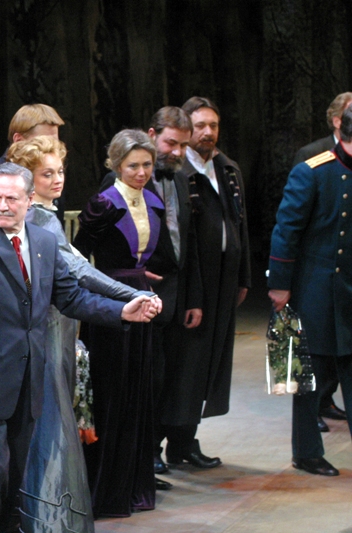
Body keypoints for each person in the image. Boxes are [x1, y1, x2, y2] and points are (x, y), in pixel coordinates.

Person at [0, 139, 158, 533]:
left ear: (28, 200)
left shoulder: (43, 242)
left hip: (28, 381)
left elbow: (71, 297)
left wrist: (120, 310)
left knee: (14, 479)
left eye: (11, 199)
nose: (2, 206)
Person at [99, 108, 202, 483]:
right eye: (171, 143)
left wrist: (194, 297)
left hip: (174, 298)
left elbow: (186, 242)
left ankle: (155, 452)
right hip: (137, 296)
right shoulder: (116, 184)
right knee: (142, 382)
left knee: (167, 379)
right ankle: (141, 459)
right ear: (153, 134)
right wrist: (132, 276)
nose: (177, 152)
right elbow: (101, 249)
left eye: (183, 145)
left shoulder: (180, 178)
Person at [73, 129, 164, 517]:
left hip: (141, 296)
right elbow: (78, 256)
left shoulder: (154, 202)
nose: (141, 172)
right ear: (115, 166)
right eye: (132, 166)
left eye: (147, 165)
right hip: (109, 301)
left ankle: (132, 486)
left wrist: (142, 278)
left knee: (137, 392)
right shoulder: (103, 205)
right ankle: (105, 491)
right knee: (111, 392)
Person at [158, 96, 251, 469]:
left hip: (224, 280)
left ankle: (184, 442)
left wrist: (244, 276)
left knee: (207, 365)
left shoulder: (227, 168)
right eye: (200, 126)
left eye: (213, 125)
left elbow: (241, 225)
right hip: (191, 284)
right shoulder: (177, 172)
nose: (208, 132)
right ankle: (157, 444)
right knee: (184, 366)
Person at [268, 104, 352, 477]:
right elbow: (286, 230)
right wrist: (280, 286)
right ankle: (306, 452)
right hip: (316, 289)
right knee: (308, 376)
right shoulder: (313, 170)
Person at [292, 92, 352, 430]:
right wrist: (282, 283)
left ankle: (326, 401)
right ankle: (309, 431)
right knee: (312, 357)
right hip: (317, 276)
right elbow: (290, 226)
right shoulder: (312, 160)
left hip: (346, 279)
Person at [0, 104, 64, 226]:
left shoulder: (54, 177)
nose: (52, 147)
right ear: (18, 140)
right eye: (43, 142)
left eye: (55, 141)